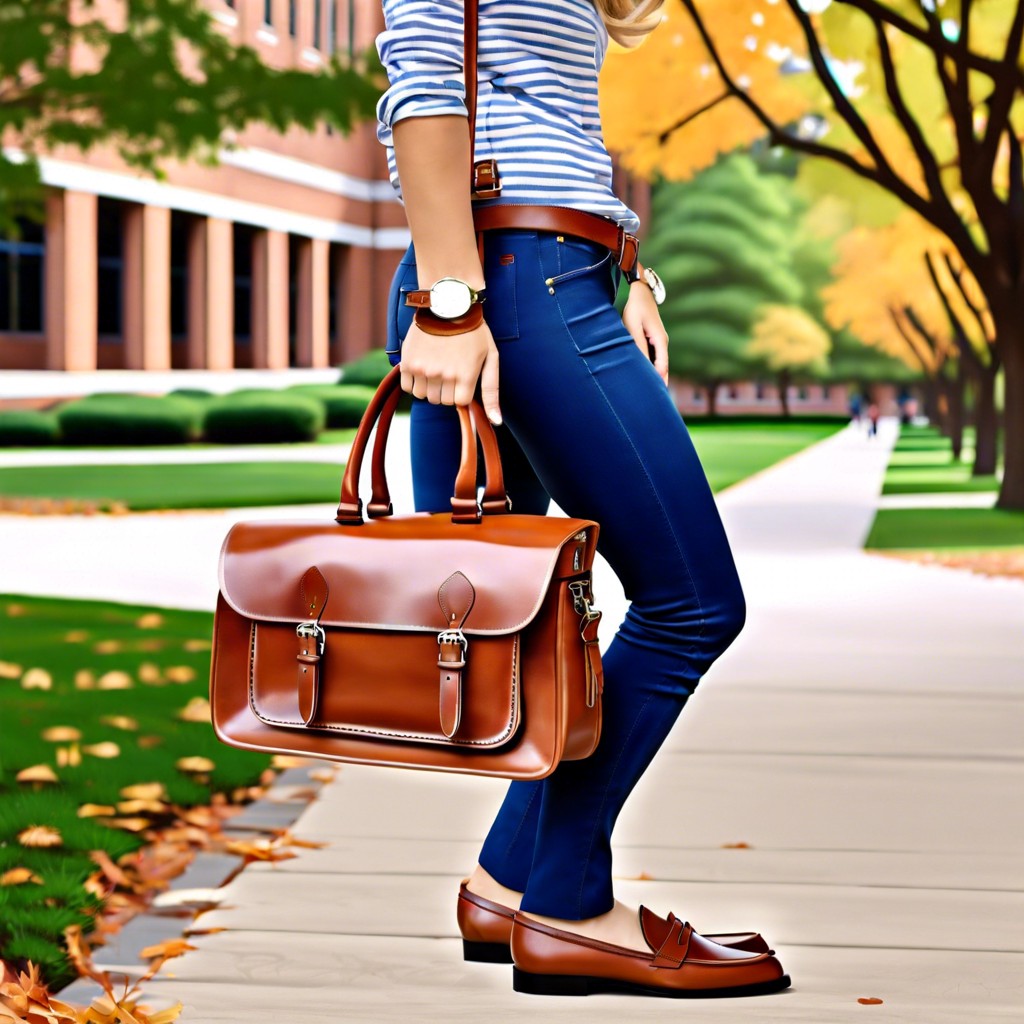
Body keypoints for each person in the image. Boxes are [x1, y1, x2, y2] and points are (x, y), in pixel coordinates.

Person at [374, 0, 790, 999]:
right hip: (508, 281)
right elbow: (426, 79)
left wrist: (623, 261)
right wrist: (449, 301)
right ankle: (565, 904)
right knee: (691, 603)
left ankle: (506, 879)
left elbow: (541, 107)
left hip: (542, 270)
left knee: (537, 611)